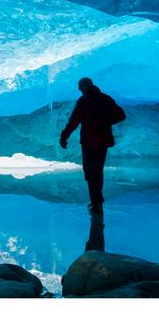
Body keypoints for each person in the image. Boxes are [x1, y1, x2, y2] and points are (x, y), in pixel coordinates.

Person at [59, 77, 126, 214]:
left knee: (90, 172)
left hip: (89, 142)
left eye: (79, 86)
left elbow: (74, 121)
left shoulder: (84, 101)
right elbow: (121, 115)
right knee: (98, 171)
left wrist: (64, 135)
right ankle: (97, 201)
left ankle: (96, 203)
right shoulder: (106, 98)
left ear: (84, 86)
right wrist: (106, 122)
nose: (78, 89)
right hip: (103, 141)